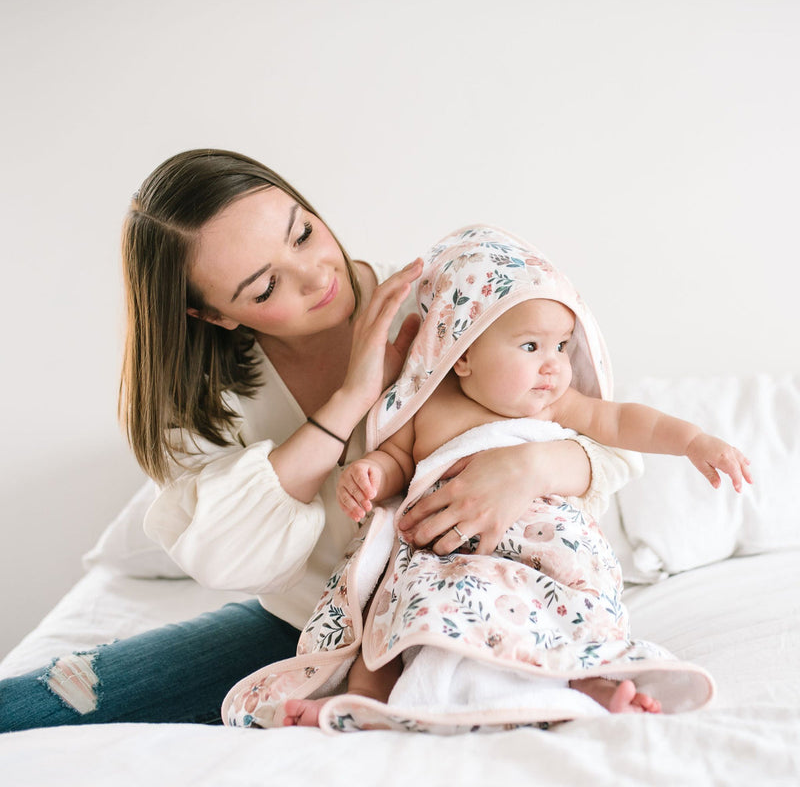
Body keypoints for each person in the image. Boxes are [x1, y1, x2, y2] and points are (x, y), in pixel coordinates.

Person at [0, 153, 639, 733]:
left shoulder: (449, 303)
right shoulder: (203, 403)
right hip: (309, 629)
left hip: (491, 590)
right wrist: (351, 399)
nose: (315, 275)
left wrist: (526, 466)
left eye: (302, 232)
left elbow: (613, 443)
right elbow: (231, 558)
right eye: (265, 287)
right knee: (28, 711)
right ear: (215, 315)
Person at [236, 225, 737, 731]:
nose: (554, 366)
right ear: (465, 353)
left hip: (545, 541)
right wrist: (369, 473)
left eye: (562, 345)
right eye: (530, 346)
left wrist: (693, 441)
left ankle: (592, 678)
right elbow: (396, 463)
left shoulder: (557, 402)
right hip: (446, 550)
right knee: (389, 607)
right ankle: (366, 702)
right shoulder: (423, 404)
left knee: (575, 601)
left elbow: (626, 421)